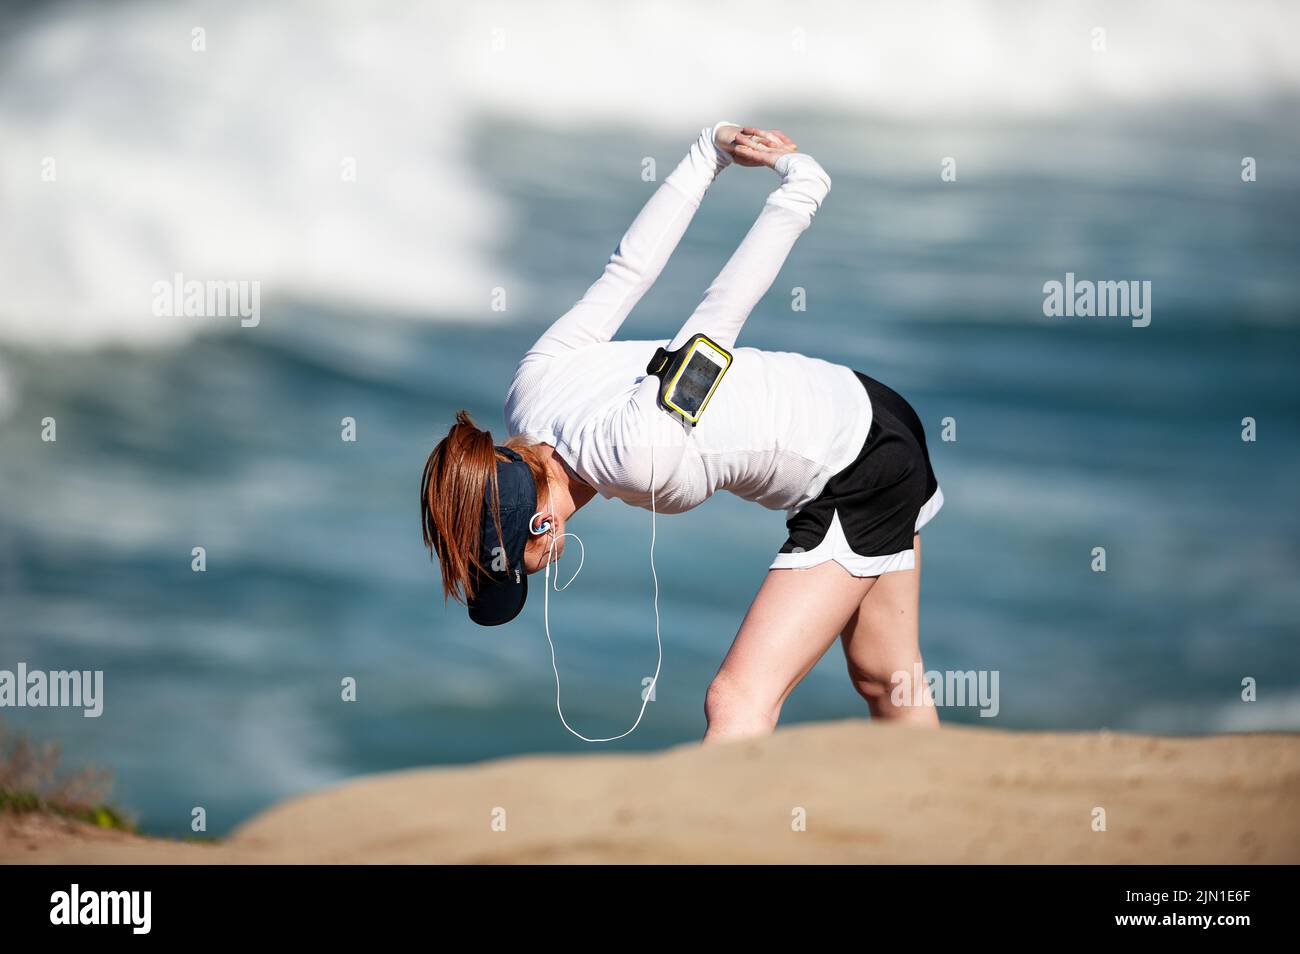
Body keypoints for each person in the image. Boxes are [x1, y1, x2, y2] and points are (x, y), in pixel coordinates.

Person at [421, 122, 943, 742]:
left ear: (543, 526)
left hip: (858, 466)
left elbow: (719, 317)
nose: (540, 571)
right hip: (863, 405)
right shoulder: (528, 392)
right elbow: (626, 271)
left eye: (525, 568)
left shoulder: (634, 454)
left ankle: (710, 839)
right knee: (887, 676)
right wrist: (707, 153)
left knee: (737, 700)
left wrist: (801, 186)